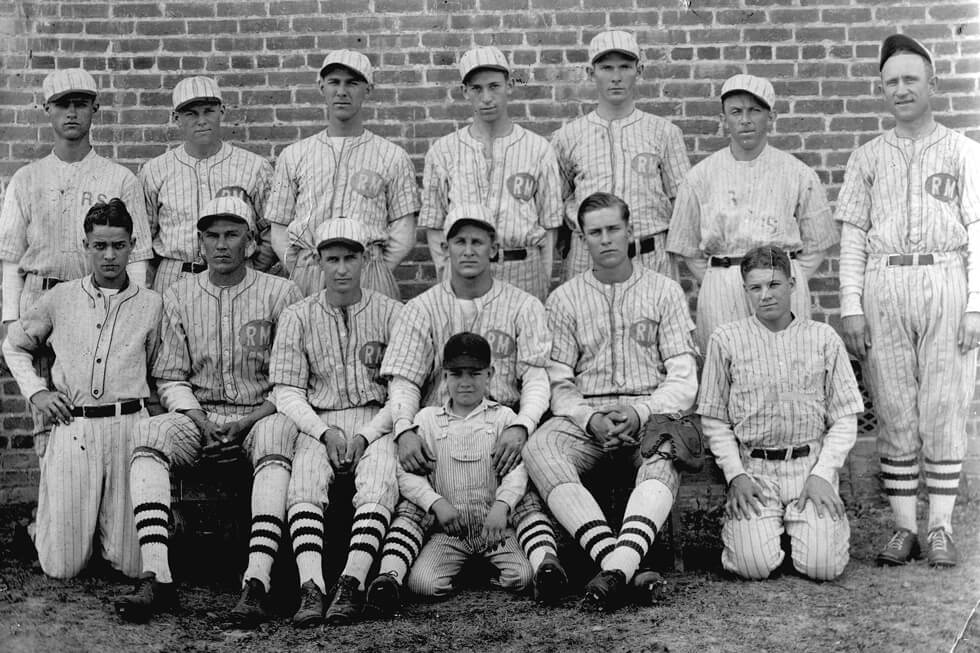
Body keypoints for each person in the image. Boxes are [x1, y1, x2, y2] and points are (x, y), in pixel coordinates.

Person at [367, 203, 566, 615]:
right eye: (460, 241)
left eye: (478, 241)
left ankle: (543, 563)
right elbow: (403, 382)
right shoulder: (421, 308)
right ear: (446, 248)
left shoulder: (524, 305)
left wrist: (523, 426)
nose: (469, 250)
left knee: (523, 492)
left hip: (505, 427)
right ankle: (390, 575)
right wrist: (404, 430)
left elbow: (536, 379)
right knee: (411, 495)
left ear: (494, 248)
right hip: (437, 429)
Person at [113, 195, 302, 625]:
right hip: (199, 416)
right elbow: (170, 377)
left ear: (250, 242)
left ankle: (256, 581)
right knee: (149, 433)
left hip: (261, 414)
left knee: (277, 435)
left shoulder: (281, 292)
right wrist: (200, 421)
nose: (221, 244)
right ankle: (157, 575)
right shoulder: (179, 294)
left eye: (232, 234)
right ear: (199, 243)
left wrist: (247, 422)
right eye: (212, 235)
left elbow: (291, 378)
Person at [836, 34, 980, 568]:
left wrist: (976, 303)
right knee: (894, 407)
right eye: (891, 82)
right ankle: (904, 528)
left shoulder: (964, 151)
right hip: (884, 280)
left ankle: (940, 526)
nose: (900, 89)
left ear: (932, 85)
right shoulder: (867, 157)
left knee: (944, 405)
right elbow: (853, 236)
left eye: (910, 80)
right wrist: (851, 304)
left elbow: (977, 229)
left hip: (945, 276)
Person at [523, 191, 698, 613]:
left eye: (613, 229)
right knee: (539, 447)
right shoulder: (564, 298)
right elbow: (559, 382)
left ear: (629, 230)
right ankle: (620, 564)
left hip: (650, 411)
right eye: (595, 232)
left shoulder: (664, 291)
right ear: (583, 239)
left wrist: (640, 412)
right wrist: (590, 419)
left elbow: (683, 377)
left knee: (666, 448)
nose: (605, 239)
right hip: (589, 418)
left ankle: (615, 568)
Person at [1, 199, 161, 579]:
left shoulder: (151, 304)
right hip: (75, 426)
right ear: (85, 246)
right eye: (99, 246)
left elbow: (157, 367)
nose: (109, 256)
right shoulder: (61, 298)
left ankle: (107, 535)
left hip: (128, 427)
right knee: (63, 567)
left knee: (132, 565)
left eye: (118, 246)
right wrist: (38, 393)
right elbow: (14, 345)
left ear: (132, 245)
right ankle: (44, 530)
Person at [0, 68, 153, 449]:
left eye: (80, 104)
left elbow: (136, 258)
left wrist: (130, 310)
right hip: (41, 298)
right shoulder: (27, 179)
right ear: (47, 110)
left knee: (101, 414)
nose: (71, 113)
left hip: (101, 302)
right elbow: (11, 259)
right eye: (62, 104)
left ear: (94, 109)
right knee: (49, 424)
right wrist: (11, 320)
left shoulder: (119, 178)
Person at [698, 246, 864, 581]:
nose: (765, 295)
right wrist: (736, 476)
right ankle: (767, 532)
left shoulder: (823, 338)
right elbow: (714, 420)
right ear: (745, 290)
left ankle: (808, 530)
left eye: (774, 284)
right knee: (752, 566)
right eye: (755, 287)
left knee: (823, 568)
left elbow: (845, 417)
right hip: (756, 470)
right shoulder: (726, 340)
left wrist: (823, 473)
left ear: (792, 284)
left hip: (809, 466)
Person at [270, 218, 402, 627]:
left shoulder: (392, 312)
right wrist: (323, 432)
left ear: (365, 259)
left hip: (376, 418)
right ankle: (311, 586)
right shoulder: (298, 315)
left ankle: (351, 582)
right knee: (305, 482)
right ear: (318, 261)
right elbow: (287, 391)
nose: (342, 268)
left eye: (350, 258)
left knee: (379, 480)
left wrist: (366, 435)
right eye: (333, 259)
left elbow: (402, 392)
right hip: (319, 419)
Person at [666, 73, 838, 349]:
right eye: (736, 112)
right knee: (725, 360)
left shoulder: (797, 172)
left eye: (754, 110)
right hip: (723, 285)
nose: (745, 119)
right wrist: (719, 279)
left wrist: (785, 277)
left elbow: (817, 243)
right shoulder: (700, 176)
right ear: (724, 119)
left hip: (780, 283)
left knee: (788, 360)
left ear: (771, 117)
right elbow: (688, 248)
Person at [266, 49, 419, 299]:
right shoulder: (294, 155)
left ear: (368, 89)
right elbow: (279, 227)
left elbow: (404, 230)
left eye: (352, 83)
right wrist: (300, 268)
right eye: (334, 82)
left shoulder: (392, 156)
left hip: (369, 272)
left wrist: (376, 270)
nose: (342, 91)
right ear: (321, 86)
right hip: (310, 272)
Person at [418, 46, 562, 302]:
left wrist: (543, 276)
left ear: (509, 86)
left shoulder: (538, 149)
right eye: (477, 88)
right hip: (464, 273)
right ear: (465, 91)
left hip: (522, 268)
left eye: (494, 86)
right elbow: (435, 224)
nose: (486, 97)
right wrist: (446, 272)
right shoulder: (443, 151)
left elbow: (549, 224)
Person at [399, 332, 533, 599]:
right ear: (444, 376)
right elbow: (406, 473)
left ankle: (483, 570)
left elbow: (518, 470)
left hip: (494, 529)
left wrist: (503, 505)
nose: (465, 382)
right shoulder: (427, 419)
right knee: (424, 584)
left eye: (474, 373)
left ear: (490, 374)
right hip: (451, 531)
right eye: (456, 374)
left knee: (523, 576)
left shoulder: (503, 417)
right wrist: (436, 503)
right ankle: (463, 569)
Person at [552, 30, 690, 281]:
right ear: (591, 72)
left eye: (625, 67)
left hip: (648, 255)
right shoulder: (567, 137)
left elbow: (682, 204)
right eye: (606, 68)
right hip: (587, 258)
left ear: (639, 70)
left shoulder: (665, 132)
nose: (616, 77)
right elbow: (555, 204)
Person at [139, 76, 277, 291]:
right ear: (176, 118)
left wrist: (251, 269)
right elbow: (142, 241)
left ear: (221, 111)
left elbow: (271, 232)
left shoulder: (254, 167)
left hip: (238, 276)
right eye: (191, 113)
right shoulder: (154, 171)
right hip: (175, 275)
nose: (201, 120)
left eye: (208, 111)